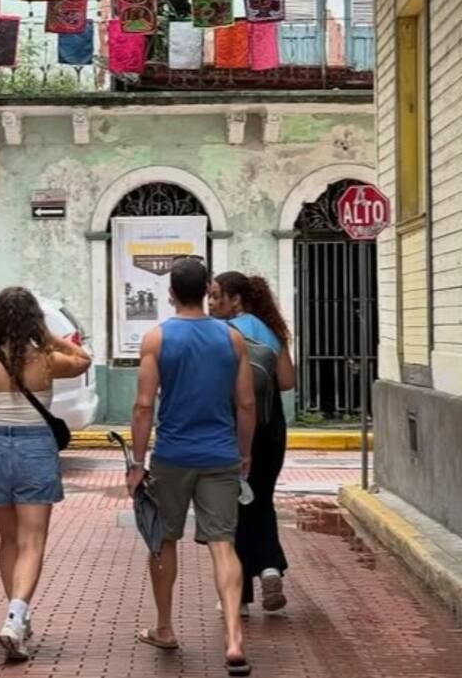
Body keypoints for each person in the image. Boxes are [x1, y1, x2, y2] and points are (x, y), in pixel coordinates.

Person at [0, 287, 91, 661]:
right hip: (35, 449)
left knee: (8, 539)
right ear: (32, 321)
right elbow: (84, 358)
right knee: (32, 542)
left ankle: (18, 618)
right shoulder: (44, 360)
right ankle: (15, 616)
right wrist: (48, 336)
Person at [128, 257, 257, 677]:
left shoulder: (156, 338)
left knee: (163, 540)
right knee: (223, 544)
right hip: (220, 454)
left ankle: (165, 627)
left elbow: (144, 405)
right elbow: (246, 402)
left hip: (172, 456)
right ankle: (234, 638)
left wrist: (136, 461)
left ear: (170, 292)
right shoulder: (231, 338)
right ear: (206, 290)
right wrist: (244, 453)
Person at [208, 272, 297, 614]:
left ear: (236, 300)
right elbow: (287, 382)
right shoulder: (273, 330)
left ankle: (240, 596)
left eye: (217, 296)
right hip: (271, 430)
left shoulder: (223, 332)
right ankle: (271, 569)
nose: (211, 303)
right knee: (261, 500)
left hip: (232, 428)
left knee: (233, 508)